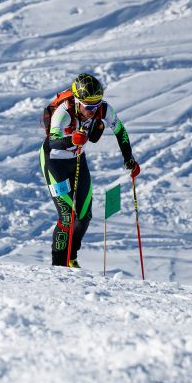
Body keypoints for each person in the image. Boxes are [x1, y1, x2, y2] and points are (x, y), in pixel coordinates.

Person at [39, 73, 140, 268]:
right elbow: (52, 142)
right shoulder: (63, 112)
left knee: (84, 216)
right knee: (68, 217)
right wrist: (71, 140)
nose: (93, 110)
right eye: (88, 106)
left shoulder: (102, 109)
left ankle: (71, 257)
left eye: (96, 105)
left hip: (77, 160)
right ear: (77, 102)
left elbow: (120, 130)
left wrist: (129, 158)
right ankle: (58, 266)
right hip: (54, 162)